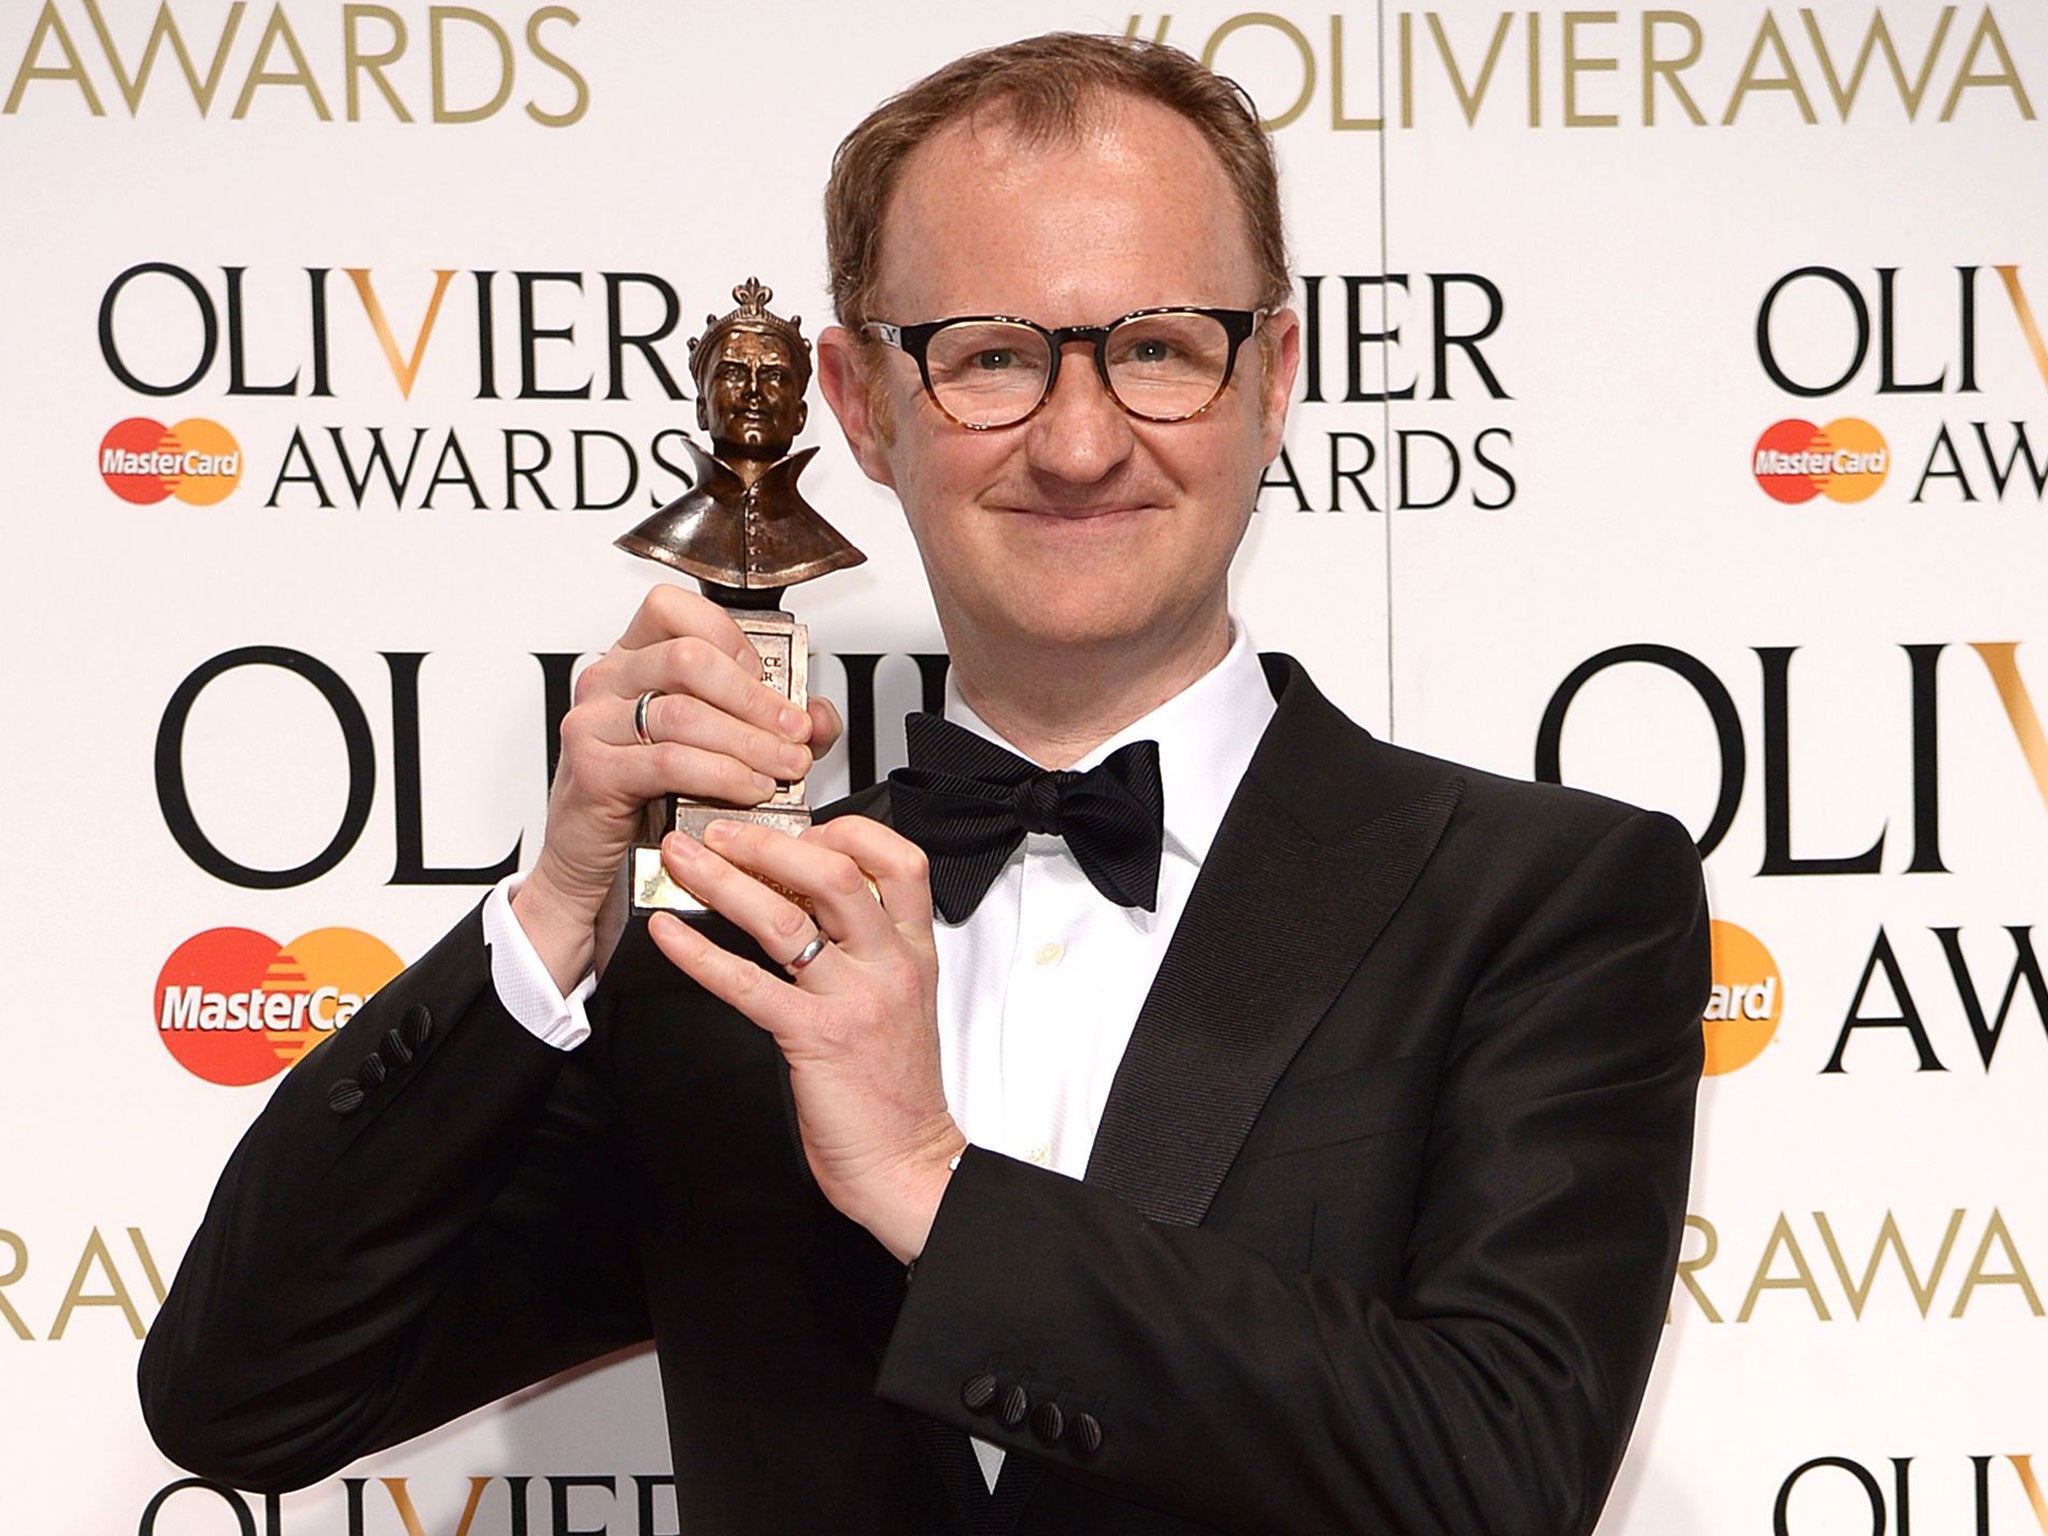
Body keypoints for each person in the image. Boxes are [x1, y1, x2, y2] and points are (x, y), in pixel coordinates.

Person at [140, 32, 1708, 1536]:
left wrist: (929, 1185)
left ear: (1274, 373)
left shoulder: (1547, 900)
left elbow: (1497, 1475)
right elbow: (247, 1400)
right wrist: (557, 912)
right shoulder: (728, 948)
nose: (1081, 441)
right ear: (858, 403)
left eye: (1160, 347)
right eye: (993, 359)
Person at [614, 275, 864, 601]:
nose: (753, 391)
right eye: (732, 373)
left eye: (774, 376)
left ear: (800, 414)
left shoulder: (826, 546)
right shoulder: (663, 536)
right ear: (702, 409)